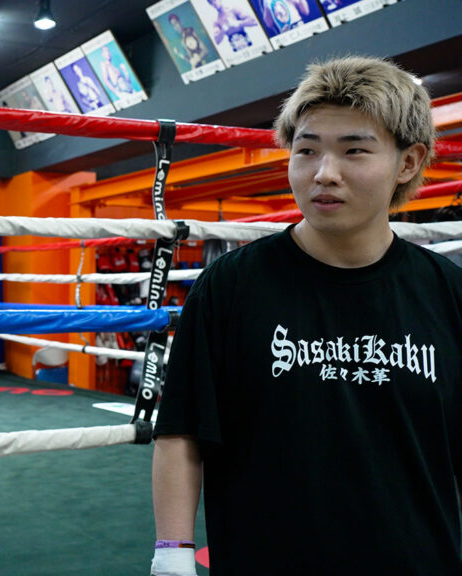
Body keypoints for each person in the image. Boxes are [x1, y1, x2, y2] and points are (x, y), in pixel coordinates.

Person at [150, 56, 462, 575]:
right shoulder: (230, 287)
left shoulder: (447, 292)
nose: (324, 174)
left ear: (408, 163)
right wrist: (172, 554)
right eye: (307, 150)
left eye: (354, 150)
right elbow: (182, 430)